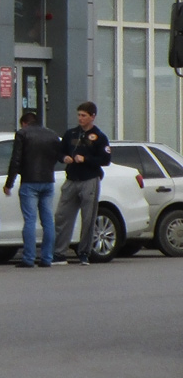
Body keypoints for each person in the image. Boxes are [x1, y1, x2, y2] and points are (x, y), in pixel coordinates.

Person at [52, 101, 111, 265]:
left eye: (84, 116)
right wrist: (64, 158)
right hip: (72, 179)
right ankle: (59, 253)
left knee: (88, 218)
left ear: (92, 117)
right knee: (62, 216)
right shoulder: (71, 134)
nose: (80, 118)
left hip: (89, 179)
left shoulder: (99, 137)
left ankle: (84, 252)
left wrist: (86, 159)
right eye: (79, 115)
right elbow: (60, 151)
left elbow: (105, 159)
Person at [4, 112, 60, 268]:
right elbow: (57, 156)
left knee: (30, 220)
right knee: (48, 221)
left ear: (24, 123)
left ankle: (29, 258)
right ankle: (47, 258)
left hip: (29, 181)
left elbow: (15, 159)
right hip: (48, 181)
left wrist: (9, 183)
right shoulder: (52, 135)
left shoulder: (22, 134)